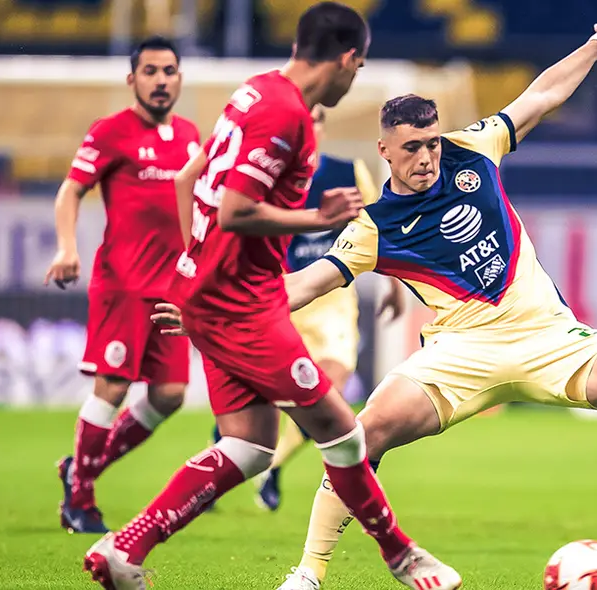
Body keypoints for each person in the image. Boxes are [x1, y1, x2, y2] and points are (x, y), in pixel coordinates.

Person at [157, 5, 597, 589]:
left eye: (433, 143)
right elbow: (304, 283)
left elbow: (540, 95)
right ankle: (309, 572)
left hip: (548, 338)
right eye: (412, 148)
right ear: (384, 151)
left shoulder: (474, 148)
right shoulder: (373, 227)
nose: (428, 157)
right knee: (361, 432)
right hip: (459, 355)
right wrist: (217, 308)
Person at [83, 4, 460, 590]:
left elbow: (190, 181)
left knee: (251, 445)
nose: (353, 79)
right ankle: (403, 557)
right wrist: (316, 216)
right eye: (356, 68)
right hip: (244, 304)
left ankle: (126, 547)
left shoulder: (252, 94)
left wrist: (193, 269)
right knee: (344, 431)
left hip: (211, 297)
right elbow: (234, 212)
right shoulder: (287, 116)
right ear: (345, 59)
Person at [211, 105, 406, 513]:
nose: (308, 126)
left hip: (333, 304)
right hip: (280, 300)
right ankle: (226, 456)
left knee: (329, 393)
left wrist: (393, 282)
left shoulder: (347, 171)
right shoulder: (262, 180)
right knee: (269, 399)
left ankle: (273, 467)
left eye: (315, 119)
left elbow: (378, 225)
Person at [46, 35, 199, 534]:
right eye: (150, 71)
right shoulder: (111, 132)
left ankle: (79, 471)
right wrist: (67, 246)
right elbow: (71, 190)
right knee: (111, 388)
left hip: (171, 291)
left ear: (179, 77)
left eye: (169, 71)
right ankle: (80, 501)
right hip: (124, 284)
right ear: (132, 79)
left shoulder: (193, 136)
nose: (161, 80)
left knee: (171, 394)